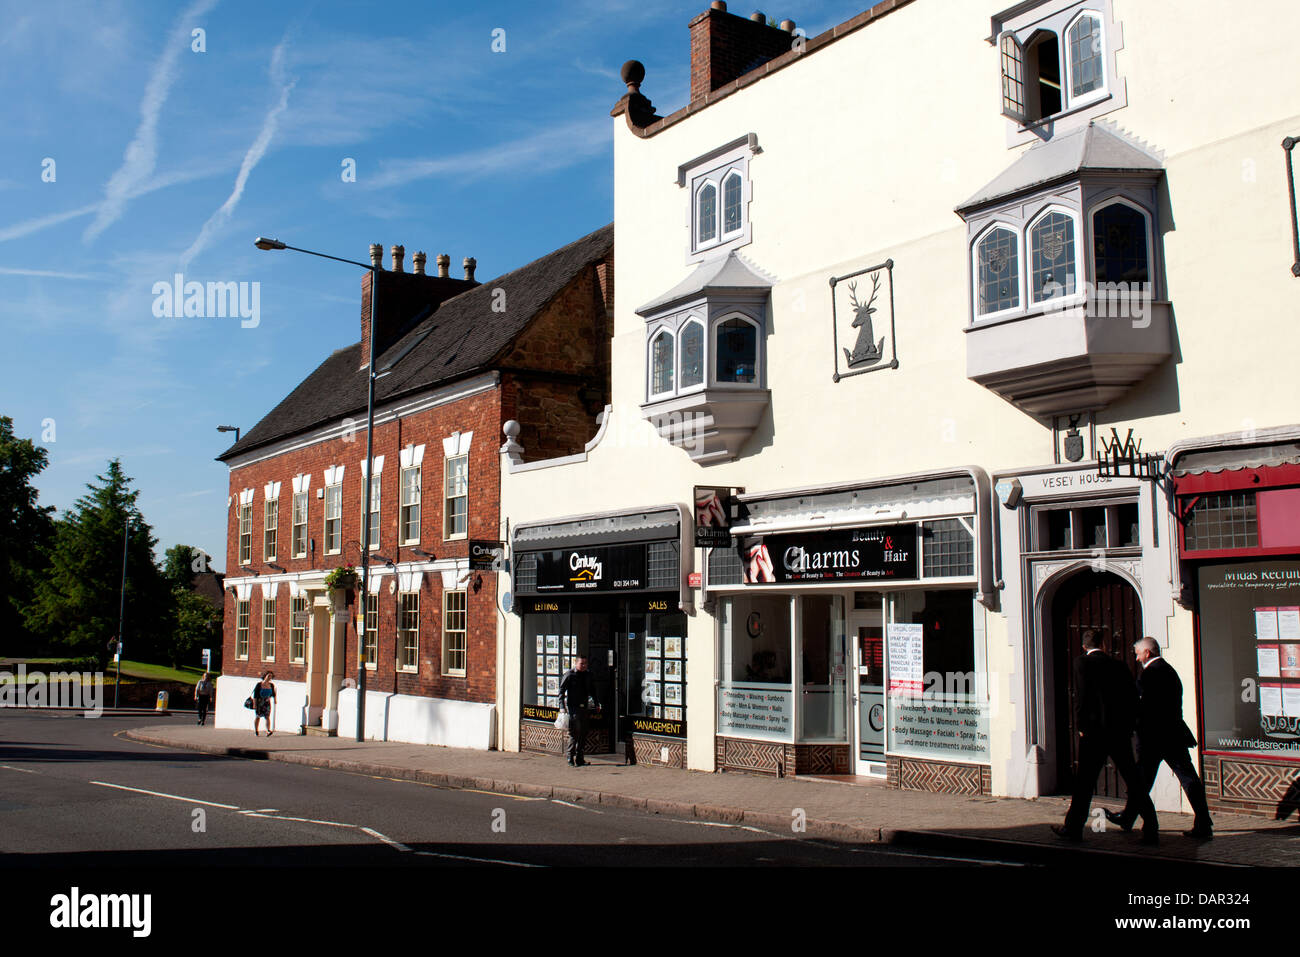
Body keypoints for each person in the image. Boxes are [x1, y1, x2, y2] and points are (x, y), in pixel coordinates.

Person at [1052, 629, 1157, 844]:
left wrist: (1082, 726)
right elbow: (1130, 699)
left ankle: (1073, 829)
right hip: (1118, 733)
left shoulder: (1082, 663)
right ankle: (1152, 825)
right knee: (1134, 780)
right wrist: (1128, 727)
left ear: (1084, 646)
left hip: (1094, 734)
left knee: (1084, 784)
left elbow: (1082, 697)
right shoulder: (1119, 665)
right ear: (1104, 644)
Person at [1106, 637, 1214, 840]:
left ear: (1147, 653)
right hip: (1172, 734)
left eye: (1138, 653)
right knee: (1186, 777)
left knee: (1143, 781)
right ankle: (1203, 821)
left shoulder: (1151, 674)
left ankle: (1133, 819)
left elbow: (1142, 706)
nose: (1137, 658)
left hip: (1153, 737)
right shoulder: (1169, 671)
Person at [558, 657, 596, 767]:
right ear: (576, 663)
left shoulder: (588, 675)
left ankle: (580, 758)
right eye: (581, 663)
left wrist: (596, 703)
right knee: (574, 733)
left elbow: (592, 690)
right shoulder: (570, 675)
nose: (584, 665)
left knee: (584, 733)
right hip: (573, 709)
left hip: (584, 707)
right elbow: (561, 691)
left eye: (585, 663)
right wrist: (562, 706)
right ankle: (570, 757)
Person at [252, 671, 276, 737]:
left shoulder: (271, 685)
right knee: (258, 716)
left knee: (267, 716)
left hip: (267, 702)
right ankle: (256, 730)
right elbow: (255, 695)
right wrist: (254, 704)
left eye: (271, 676)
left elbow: (273, 694)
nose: (269, 677)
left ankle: (268, 730)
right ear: (265, 676)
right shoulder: (259, 684)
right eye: (268, 676)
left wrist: (273, 699)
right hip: (259, 702)